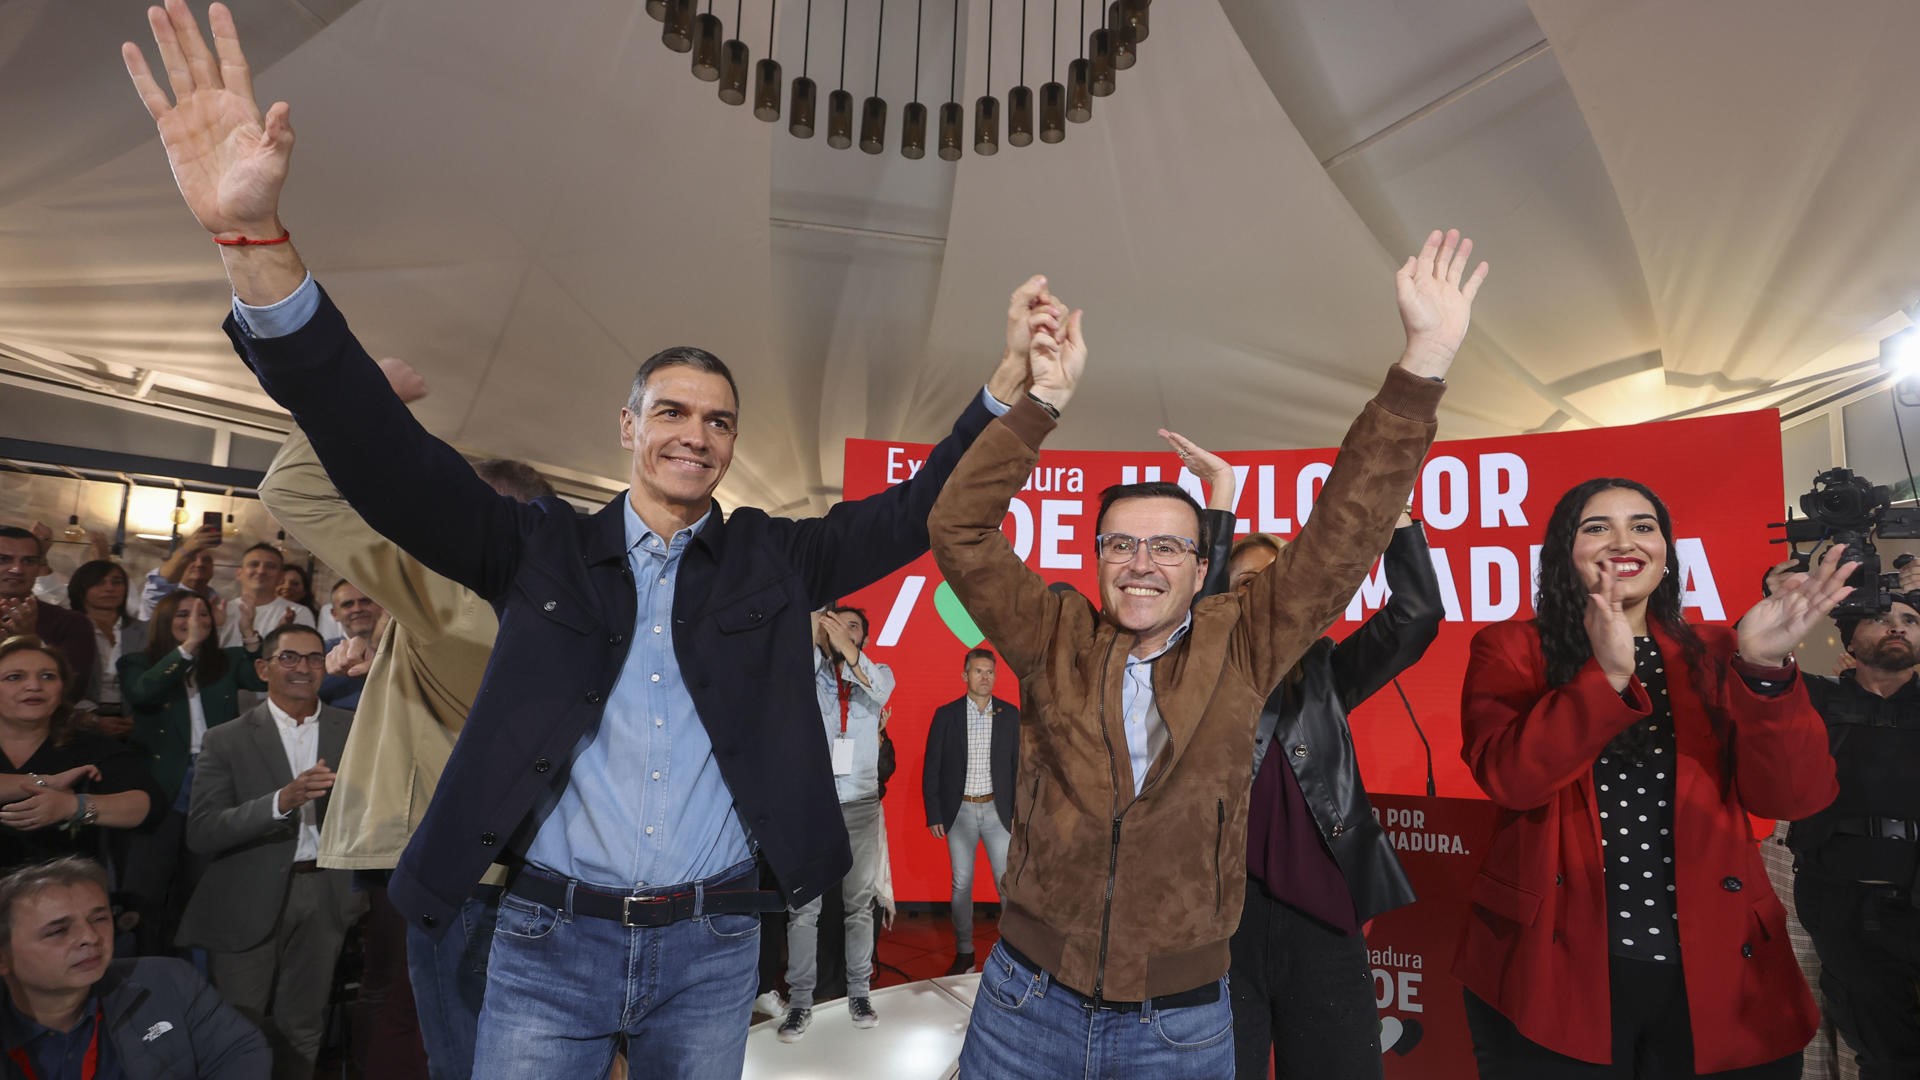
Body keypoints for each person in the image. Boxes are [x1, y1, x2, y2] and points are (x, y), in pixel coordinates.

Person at [123, 6, 1045, 1073]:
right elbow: (376, 451)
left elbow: (918, 509)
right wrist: (254, 243)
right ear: (628, 428)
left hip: (710, 943)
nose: (693, 436)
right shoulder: (537, 549)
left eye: (716, 420)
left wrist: (1009, 396)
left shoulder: (768, 561)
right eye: (670, 413)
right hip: (546, 938)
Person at [928, 229, 1484, 1077]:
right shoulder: (1054, 635)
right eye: (1121, 545)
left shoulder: (1245, 645)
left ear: (1202, 565)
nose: (1141, 564)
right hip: (1026, 1002)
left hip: (1176, 1026)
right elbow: (957, 528)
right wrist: (1037, 405)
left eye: (1167, 549)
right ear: (1098, 558)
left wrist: (1423, 364)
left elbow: (1341, 535)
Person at [1456, 477, 1849, 1078]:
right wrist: (1607, 676)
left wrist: (1765, 668)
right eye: (1597, 527)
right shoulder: (1510, 648)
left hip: (1720, 972)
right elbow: (1512, 779)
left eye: (1643, 525)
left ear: (1666, 551)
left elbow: (1792, 795)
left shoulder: (1724, 649)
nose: (1624, 541)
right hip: (1555, 974)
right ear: (1565, 550)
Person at [259, 377, 555, 1080]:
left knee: (464, 1056)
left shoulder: (448, 592)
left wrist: (371, 392)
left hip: (457, 867)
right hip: (525, 860)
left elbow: (292, 489)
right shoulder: (544, 609)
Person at [1219, 509, 1442, 1079]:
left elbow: (1415, 617)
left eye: (1278, 578)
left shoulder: (1323, 669)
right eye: (1246, 582)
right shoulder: (1189, 679)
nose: (1263, 592)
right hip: (1221, 927)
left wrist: (1400, 522)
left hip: (1322, 924)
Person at [178, 623, 358, 1080]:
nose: (304, 668)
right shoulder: (225, 738)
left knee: (305, 1021)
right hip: (245, 894)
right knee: (238, 1025)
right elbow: (202, 831)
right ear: (263, 668)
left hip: (327, 893)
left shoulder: (355, 731)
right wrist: (282, 801)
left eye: (315, 658)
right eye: (290, 658)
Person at [1790, 592, 1920, 1079]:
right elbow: (1745, 674)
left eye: (1910, 619)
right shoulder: (1813, 700)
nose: (1897, 626)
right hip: (1846, 904)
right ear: (1848, 637)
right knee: (1887, 1056)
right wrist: (1783, 596)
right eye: (1880, 618)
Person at [0, 855, 270, 1078]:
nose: (90, 937)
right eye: (58, 931)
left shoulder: (170, 980)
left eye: (100, 918)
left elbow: (240, 1052)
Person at [118, 590, 267, 954]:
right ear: (164, 620)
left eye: (200, 614)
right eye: (182, 614)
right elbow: (143, 693)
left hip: (216, 778)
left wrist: (248, 631)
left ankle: (193, 968)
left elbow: (262, 677)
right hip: (163, 782)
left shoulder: (226, 661)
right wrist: (185, 650)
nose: (192, 621)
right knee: (149, 884)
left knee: (201, 882)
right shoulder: (137, 662)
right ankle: (146, 961)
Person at [776, 606, 894, 1042]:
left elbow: (880, 689)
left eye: (854, 626)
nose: (843, 630)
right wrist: (815, 626)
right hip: (815, 804)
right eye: (836, 622)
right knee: (804, 908)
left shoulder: (876, 674)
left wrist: (847, 650)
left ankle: (859, 992)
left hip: (861, 806)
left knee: (858, 907)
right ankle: (800, 1002)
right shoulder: (812, 674)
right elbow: (791, 665)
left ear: (863, 636)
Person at [0, 636, 165, 874]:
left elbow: (150, 806)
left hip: (65, 892)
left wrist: (73, 807)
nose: (34, 686)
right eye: (15, 677)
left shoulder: (90, 748)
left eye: (48, 676)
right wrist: (42, 782)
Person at [922, 648, 1020, 975]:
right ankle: (965, 951)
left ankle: (1010, 951)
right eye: (978, 671)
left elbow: (1020, 768)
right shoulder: (946, 714)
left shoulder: (1010, 714)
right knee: (961, 884)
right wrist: (934, 812)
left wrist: (1020, 813)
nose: (984, 677)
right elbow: (931, 767)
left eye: (990, 672)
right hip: (959, 811)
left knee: (1006, 884)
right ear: (965, 675)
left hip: (998, 811)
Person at [0, 529, 95, 706]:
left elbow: (72, 691)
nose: (17, 569)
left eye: (28, 561)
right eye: (3, 559)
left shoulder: (71, 623)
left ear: (39, 568)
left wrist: (31, 643)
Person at [65, 561, 149, 737]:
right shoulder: (67, 630)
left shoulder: (146, 630)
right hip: (79, 717)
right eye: (99, 583)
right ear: (81, 589)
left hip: (135, 719)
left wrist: (141, 717)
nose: (110, 588)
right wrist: (90, 719)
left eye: (117, 582)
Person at [217, 545, 313, 650]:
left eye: (270, 566)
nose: (261, 571)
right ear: (239, 573)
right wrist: (218, 627)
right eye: (254, 564)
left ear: (281, 577)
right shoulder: (222, 611)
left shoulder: (298, 612)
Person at [316, 580, 384, 712]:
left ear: (380, 606)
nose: (357, 609)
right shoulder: (318, 653)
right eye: (348, 604)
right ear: (334, 614)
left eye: (365, 601)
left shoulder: (404, 650)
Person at [137, 523, 221, 622]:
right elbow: (158, 585)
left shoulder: (219, 603)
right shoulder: (164, 597)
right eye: (192, 559)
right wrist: (187, 549)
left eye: (206, 560)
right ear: (180, 566)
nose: (199, 564)